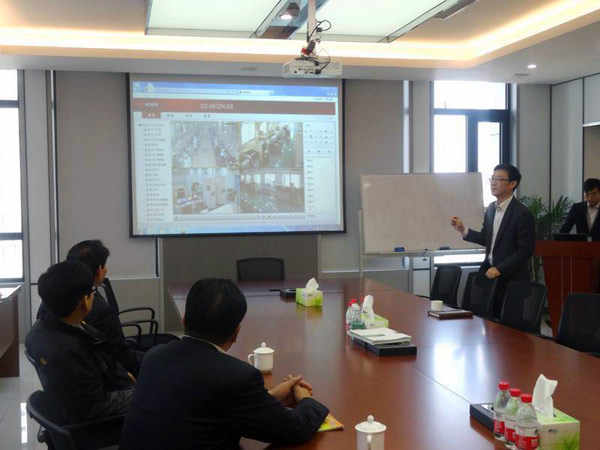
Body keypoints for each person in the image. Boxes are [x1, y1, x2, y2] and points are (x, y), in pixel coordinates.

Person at [119, 278, 329, 450]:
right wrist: (306, 400)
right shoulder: (236, 377)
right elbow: (294, 429)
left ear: (184, 320)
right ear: (236, 332)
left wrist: (269, 397)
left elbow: (203, 405)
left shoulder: (153, 357)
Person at [26, 261, 135, 423]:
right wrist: (140, 394)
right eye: (92, 292)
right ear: (84, 301)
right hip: (103, 423)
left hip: (99, 391)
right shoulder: (69, 351)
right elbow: (97, 406)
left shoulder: (40, 329)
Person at [38, 239, 144, 376]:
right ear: (99, 270)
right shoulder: (99, 310)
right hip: (108, 377)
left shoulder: (51, 298)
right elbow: (121, 356)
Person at [451, 164, 536, 318]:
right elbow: (486, 238)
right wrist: (463, 229)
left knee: (509, 325)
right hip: (490, 277)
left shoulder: (522, 214)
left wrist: (500, 268)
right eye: (492, 178)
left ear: (512, 183)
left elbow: (525, 250)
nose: (493, 183)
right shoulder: (491, 209)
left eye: (499, 179)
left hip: (511, 280)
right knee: (489, 322)